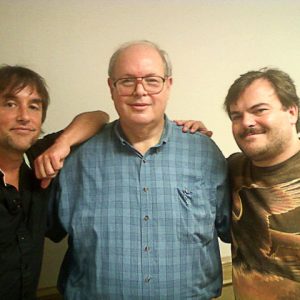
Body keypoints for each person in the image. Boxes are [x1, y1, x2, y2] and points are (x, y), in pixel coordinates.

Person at [44, 40, 231, 299]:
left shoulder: (204, 153)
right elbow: (41, 230)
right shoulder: (76, 158)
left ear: (169, 85)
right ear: (111, 87)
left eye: (152, 80)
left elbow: (236, 230)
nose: (140, 91)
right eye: (127, 81)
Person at [0, 65, 109, 300]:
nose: (25, 116)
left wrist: (63, 143)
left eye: (34, 106)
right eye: (10, 104)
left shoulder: (37, 158)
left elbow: (99, 117)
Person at [223, 68, 300, 299]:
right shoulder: (231, 169)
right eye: (236, 115)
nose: (246, 122)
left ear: (292, 112)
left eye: (260, 110)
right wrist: (183, 133)